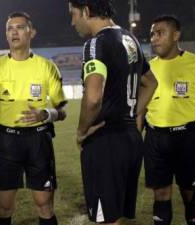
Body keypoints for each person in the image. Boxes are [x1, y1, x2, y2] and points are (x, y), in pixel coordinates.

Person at [68, 0, 158, 224]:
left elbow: (93, 98)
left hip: (105, 142)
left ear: (86, 11)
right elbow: (151, 82)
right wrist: (133, 115)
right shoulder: (130, 39)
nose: (72, 22)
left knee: (106, 220)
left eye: (73, 14)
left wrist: (81, 131)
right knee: (114, 216)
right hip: (130, 139)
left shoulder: (95, 43)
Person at [0, 11, 67, 225]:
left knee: (44, 206)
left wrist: (46, 114)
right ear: (6, 35)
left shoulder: (46, 66)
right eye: (9, 28)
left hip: (39, 140)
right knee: (4, 208)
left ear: (31, 32)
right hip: (7, 141)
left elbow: (62, 110)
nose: (14, 31)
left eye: (19, 27)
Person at [143, 15, 195, 225]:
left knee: (191, 197)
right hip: (154, 139)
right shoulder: (147, 69)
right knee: (160, 197)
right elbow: (139, 112)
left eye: (160, 33)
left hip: (187, 139)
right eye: (152, 34)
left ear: (176, 35)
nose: (154, 38)